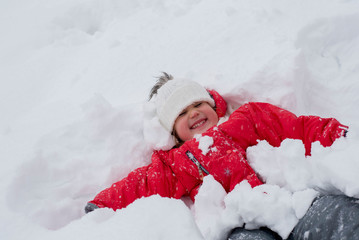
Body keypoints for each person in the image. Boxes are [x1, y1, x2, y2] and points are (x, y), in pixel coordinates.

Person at [85, 73, 358, 239]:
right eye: (181, 113)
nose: (193, 112)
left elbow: (295, 127)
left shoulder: (247, 118)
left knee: (339, 213)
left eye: (198, 103)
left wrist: (335, 133)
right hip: (241, 225)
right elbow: (141, 183)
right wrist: (101, 205)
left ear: (214, 106)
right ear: (174, 135)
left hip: (292, 203)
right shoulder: (175, 164)